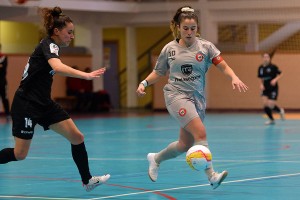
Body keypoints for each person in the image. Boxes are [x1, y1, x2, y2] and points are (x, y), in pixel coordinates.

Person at [136, 6, 248, 189]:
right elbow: (158, 72)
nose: (189, 32)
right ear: (178, 28)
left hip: (197, 100)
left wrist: (234, 77)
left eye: (193, 28)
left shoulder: (206, 47)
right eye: (185, 28)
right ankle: (212, 176)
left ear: (197, 28)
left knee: (184, 144)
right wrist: (144, 83)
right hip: (176, 96)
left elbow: (224, 67)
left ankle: (155, 158)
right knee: (201, 133)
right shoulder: (169, 49)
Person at [0, 7, 110, 192]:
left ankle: (88, 180)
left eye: (73, 32)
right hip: (26, 104)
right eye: (69, 32)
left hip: (44, 104)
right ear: (57, 31)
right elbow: (57, 66)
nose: (72, 36)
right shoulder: (48, 44)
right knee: (20, 154)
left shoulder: (53, 46)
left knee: (77, 137)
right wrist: (85, 75)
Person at [258, 52, 285, 125]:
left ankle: (280, 111)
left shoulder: (273, 67)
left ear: (269, 58)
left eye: (267, 57)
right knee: (265, 104)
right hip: (265, 88)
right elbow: (261, 78)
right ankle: (271, 119)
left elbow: (281, 73)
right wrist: (261, 84)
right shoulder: (260, 68)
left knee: (271, 104)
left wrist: (275, 79)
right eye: (264, 57)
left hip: (273, 88)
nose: (266, 58)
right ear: (263, 58)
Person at [0, 43, 10, 121]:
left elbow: (3, 68)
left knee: (5, 98)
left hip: (2, 82)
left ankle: (7, 114)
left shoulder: (3, 57)